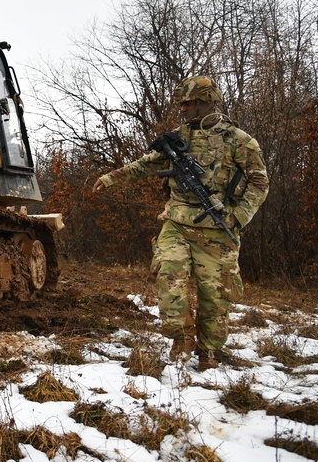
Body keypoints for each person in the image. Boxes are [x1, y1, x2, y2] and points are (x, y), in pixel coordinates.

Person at [92, 76, 268, 371]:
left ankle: (209, 351)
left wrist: (237, 216)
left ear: (206, 103)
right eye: (182, 104)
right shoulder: (178, 138)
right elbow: (148, 164)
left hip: (217, 230)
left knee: (215, 297)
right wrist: (111, 178)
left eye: (188, 103)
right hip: (177, 222)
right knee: (169, 280)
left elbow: (259, 183)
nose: (183, 109)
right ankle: (181, 340)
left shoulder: (238, 140)